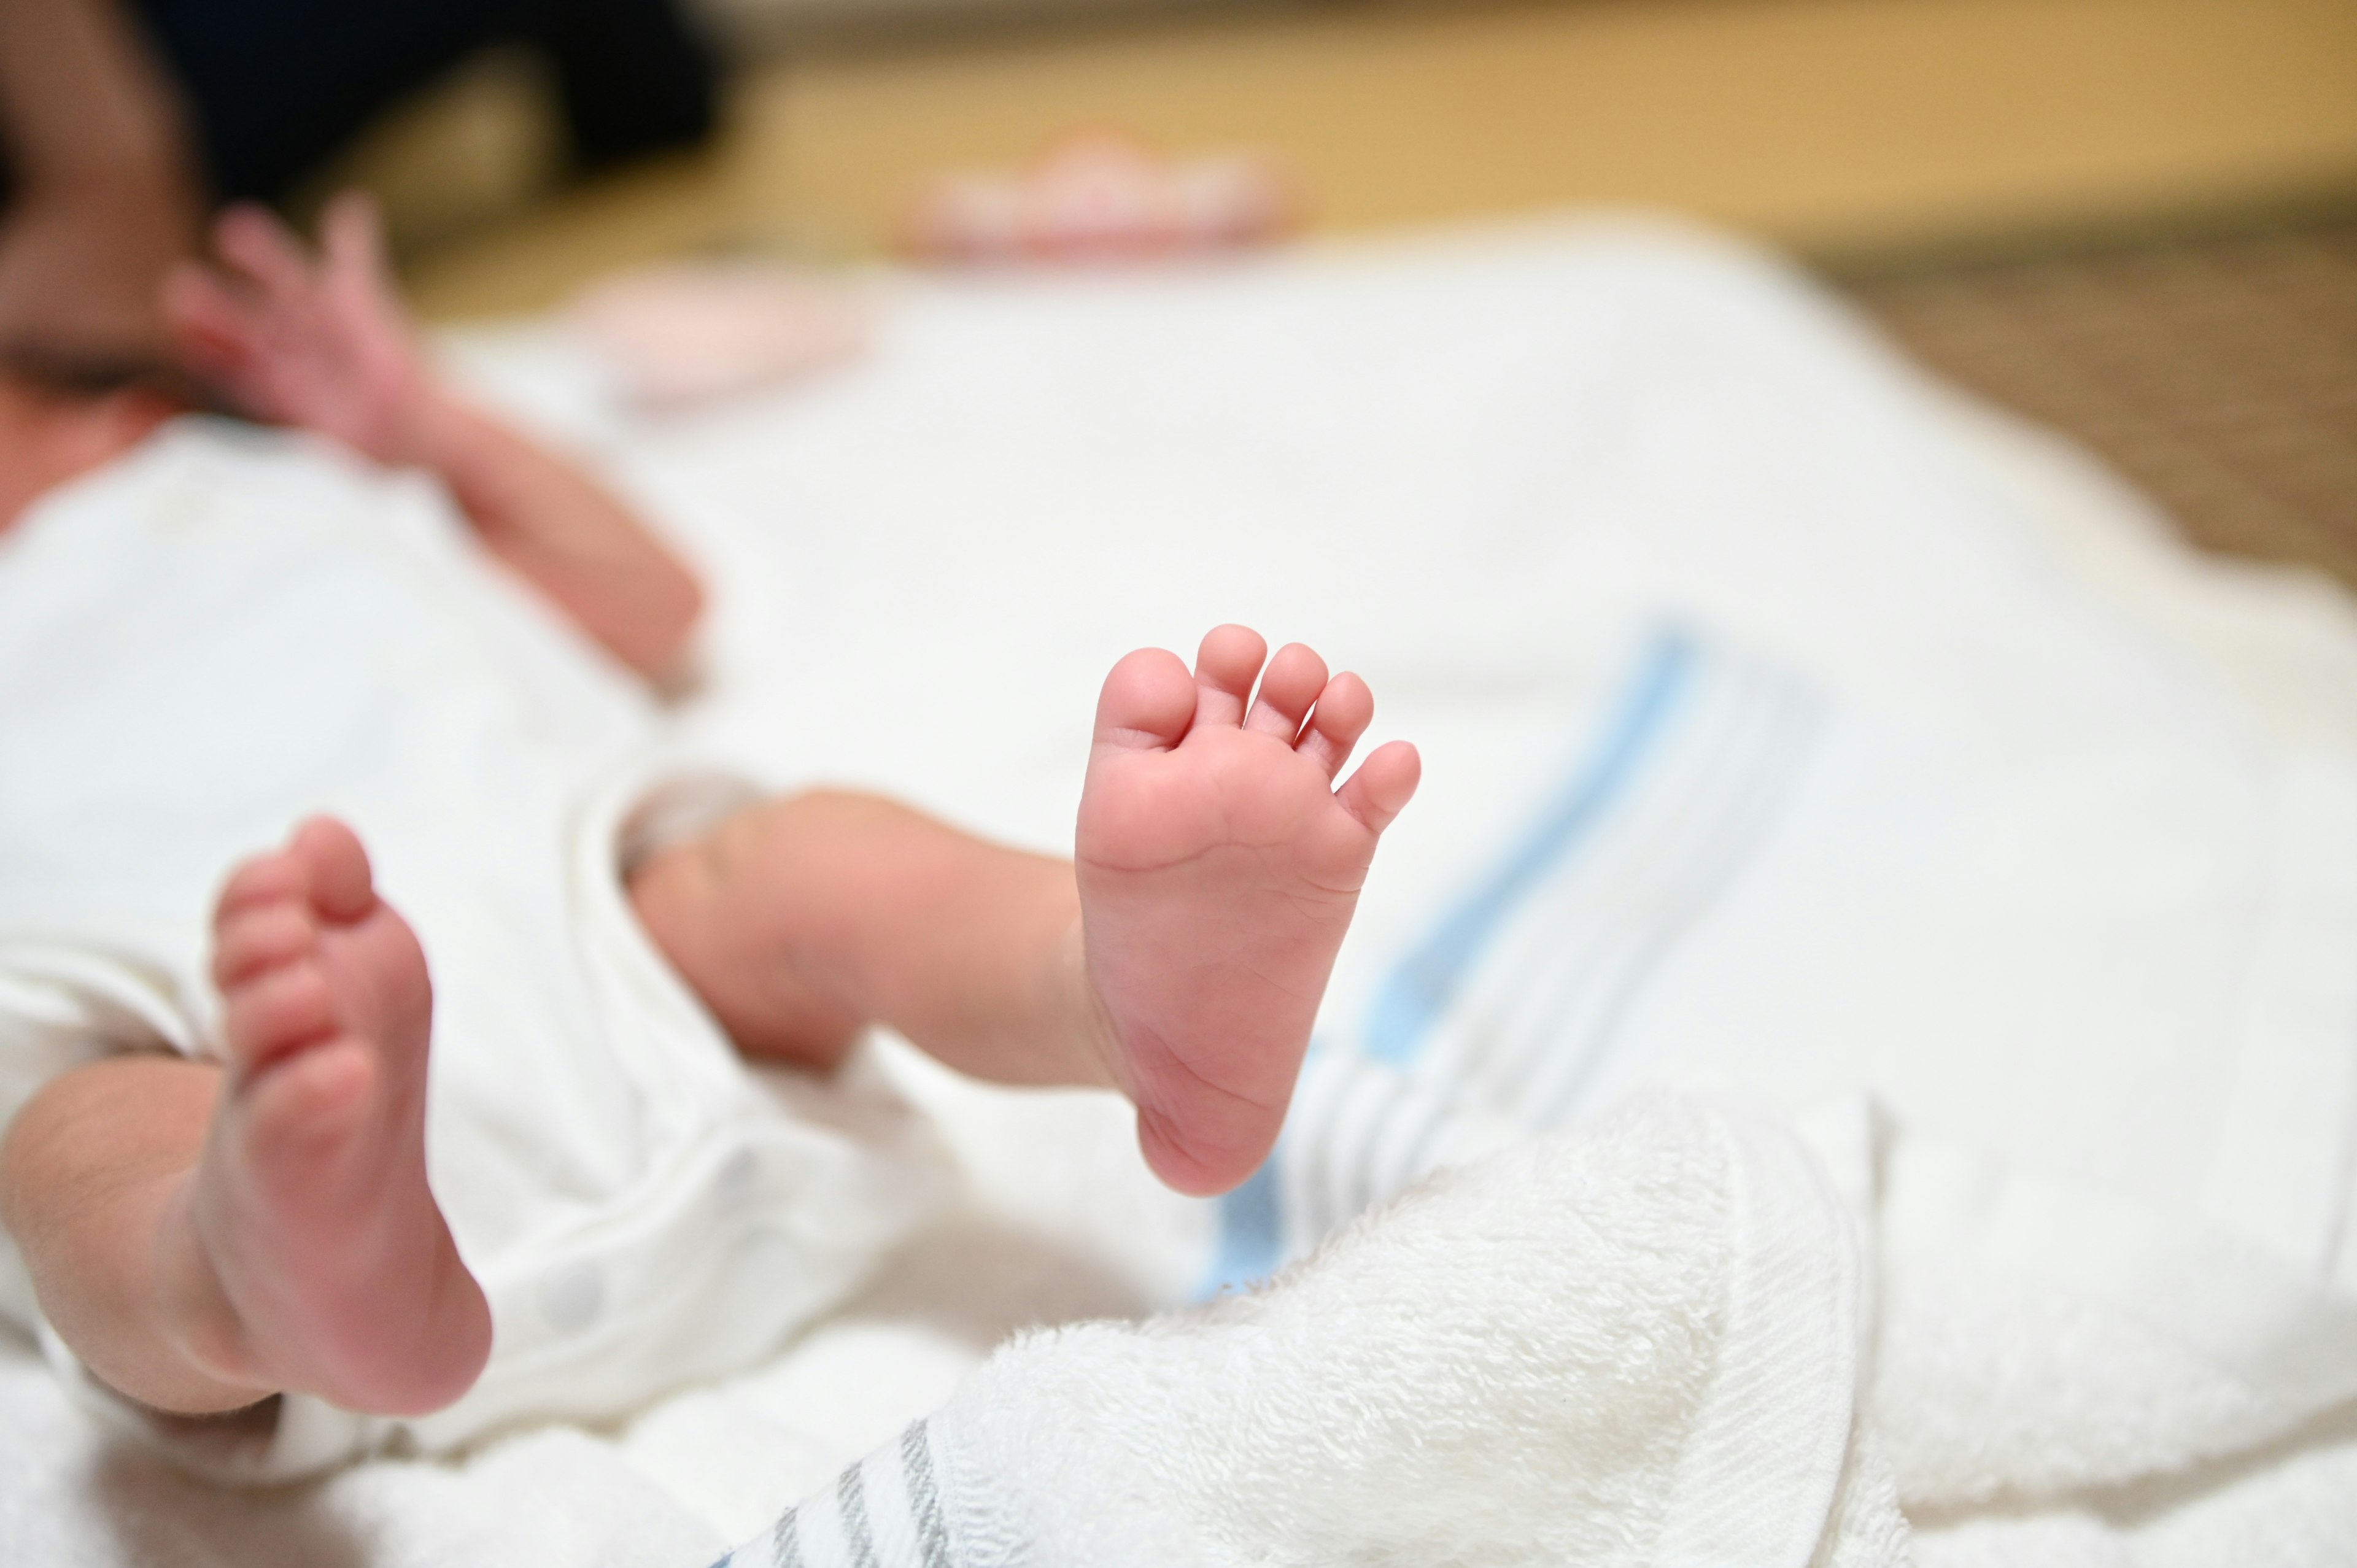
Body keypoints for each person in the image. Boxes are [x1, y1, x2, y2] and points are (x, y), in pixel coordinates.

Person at [0, 197, 1420, 1468]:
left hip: (595, 919)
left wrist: (426, 426)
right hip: (197, 1025)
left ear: (116, 405)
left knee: (804, 865)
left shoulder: (285, 484)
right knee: (80, 1144)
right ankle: (243, 1273)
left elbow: (652, 598)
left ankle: (1102, 996)